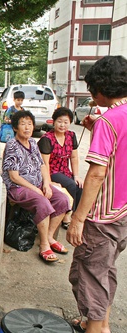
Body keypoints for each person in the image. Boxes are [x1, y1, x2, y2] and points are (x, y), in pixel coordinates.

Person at [67, 55, 127, 333]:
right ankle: (102, 326)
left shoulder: (109, 121)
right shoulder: (114, 119)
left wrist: (78, 219)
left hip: (101, 218)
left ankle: (96, 328)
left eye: (92, 89)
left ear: (102, 87)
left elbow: (96, 173)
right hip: (123, 214)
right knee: (105, 270)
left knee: (89, 277)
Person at [2, 110, 69, 262]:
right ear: (15, 128)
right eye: (23, 124)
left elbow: (42, 165)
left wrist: (46, 183)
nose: (27, 128)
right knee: (42, 202)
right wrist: (36, 190)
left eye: (30, 124)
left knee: (63, 200)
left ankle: (50, 237)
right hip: (17, 187)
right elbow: (14, 176)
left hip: (37, 184)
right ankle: (44, 245)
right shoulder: (12, 145)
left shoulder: (33, 142)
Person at [38, 107, 83, 230]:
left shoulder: (71, 135)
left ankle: (74, 214)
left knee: (80, 186)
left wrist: (76, 175)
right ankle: (67, 215)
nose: (62, 125)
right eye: (59, 121)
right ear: (53, 122)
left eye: (66, 122)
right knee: (72, 186)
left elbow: (74, 157)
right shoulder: (47, 139)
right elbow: (44, 163)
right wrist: (48, 181)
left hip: (65, 171)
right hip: (51, 171)